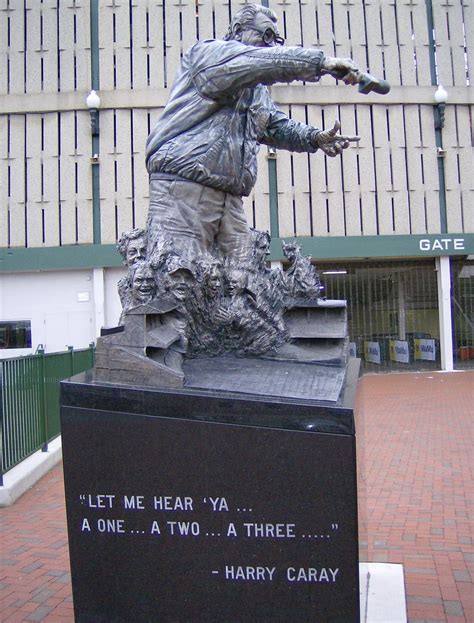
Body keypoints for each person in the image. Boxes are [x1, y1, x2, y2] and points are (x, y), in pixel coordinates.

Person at [145, 4, 361, 260]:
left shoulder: (256, 90)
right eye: (266, 36)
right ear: (238, 30)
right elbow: (257, 62)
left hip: (229, 195)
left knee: (244, 281)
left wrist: (315, 138)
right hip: (184, 189)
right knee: (179, 275)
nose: (270, 47)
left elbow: (273, 125)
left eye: (276, 40)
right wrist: (320, 63)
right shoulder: (209, 56)